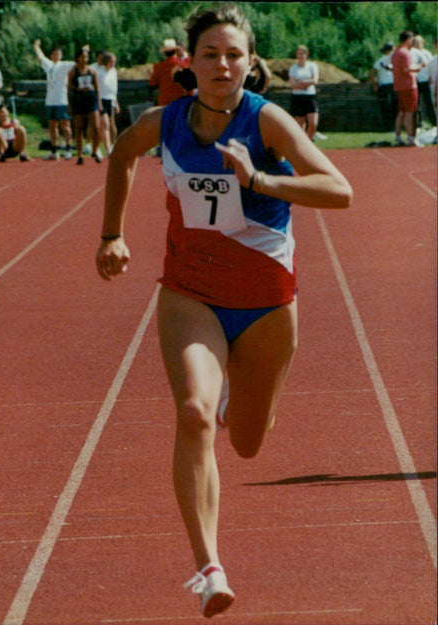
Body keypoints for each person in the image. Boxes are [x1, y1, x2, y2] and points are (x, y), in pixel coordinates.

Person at [95, 4, 351, 618]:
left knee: (249, 444)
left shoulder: (268, 122)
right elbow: (121, 154)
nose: (221, 65)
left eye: (233, 54)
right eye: (209, 54)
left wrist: (259, 180)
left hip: (266, 306)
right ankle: (208, 567)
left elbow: (339, 190)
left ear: (250, 63)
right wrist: (111, 235)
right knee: (193, 412)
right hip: (191, 294)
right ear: (190, 61)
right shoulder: (165, 122)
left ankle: (239, 393)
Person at [33, 39, 75, 160]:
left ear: (61, 56)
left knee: (65, 126)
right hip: (50, 101)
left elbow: (79, 62)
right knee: (52, 126)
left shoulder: (65, 65)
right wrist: (36, 46)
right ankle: (54, 150)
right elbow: (40, 56)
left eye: (58, 54)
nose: (56, 56)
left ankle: (68, 148)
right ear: (51, 56)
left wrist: (85, 50)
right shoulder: (49, 65)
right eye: (54, 54)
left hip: (62, 100)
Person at [67, 46, 102, 165]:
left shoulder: (92, 71)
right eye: (82, 57)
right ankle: (80, 154)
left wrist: (99, 103)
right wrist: (69, 105)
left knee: (96, 126)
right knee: (79, 128)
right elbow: (69, 90)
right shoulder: (73, 72)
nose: (85, 59)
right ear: (78, 58)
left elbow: (97, 88)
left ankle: (95, 151)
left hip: (91, 99)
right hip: (78, 100)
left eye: (86, 57)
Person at [392, 30, 424, 146]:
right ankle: (411, 137)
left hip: (399, 85)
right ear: (408, 40)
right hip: (408, 85)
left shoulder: (396, 52)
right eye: (412, 40)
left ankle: (398, 137)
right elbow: (406, 69)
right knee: (410, 112)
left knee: (401, 112)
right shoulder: (405, 53)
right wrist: (419, 66)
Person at [288, 45, 320, 141]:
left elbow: (314, 80)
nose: (301, 56)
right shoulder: (293, 68)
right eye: (299, 54)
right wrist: (306, 83)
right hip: (298, 97)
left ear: (306, 55)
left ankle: (309, 141)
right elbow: (292, 84)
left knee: (313, 123)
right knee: (300, 125)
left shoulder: (312, 66)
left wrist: (301, 82)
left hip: (310, 96)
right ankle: (303, 144)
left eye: (302, 54)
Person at [148, 38, 192, 107]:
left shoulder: (158, 66)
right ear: (175, 51)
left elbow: (152, 83)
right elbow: (190, 89)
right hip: (179, 104)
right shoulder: (183, 65)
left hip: (164, 104)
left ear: (164, 53)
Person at [369, 42, 398, 132]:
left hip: (394, 85)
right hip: (385, 86)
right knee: (387, 108)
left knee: (395, 107)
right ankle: (389, 127)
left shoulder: (395, 60)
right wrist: (375, 85)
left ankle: (395, 127)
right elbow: (371, 73)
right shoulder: (381, 61)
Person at [97, 52, 120, 156]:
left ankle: (110, 146)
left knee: (110, 124)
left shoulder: (114, 71)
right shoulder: (99, 72)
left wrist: (116, 102)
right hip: (101, 100)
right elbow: (96, 88)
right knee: (105, 124)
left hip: (110, 100)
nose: (113, 64)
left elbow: (114, 88)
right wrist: (99, 103)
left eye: (114, 62)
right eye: (111, 62)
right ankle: (108, 149)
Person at [411, 35, 436, 128]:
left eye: (419, 42)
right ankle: (418, 124)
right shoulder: (412, 53)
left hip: (426, 80)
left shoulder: (427, 53)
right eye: (416, 42)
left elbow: (431, 65)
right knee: (416, 103)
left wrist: (431, 76)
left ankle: (434, 122)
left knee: (429, 102)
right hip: (416, 80)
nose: (418, 44)